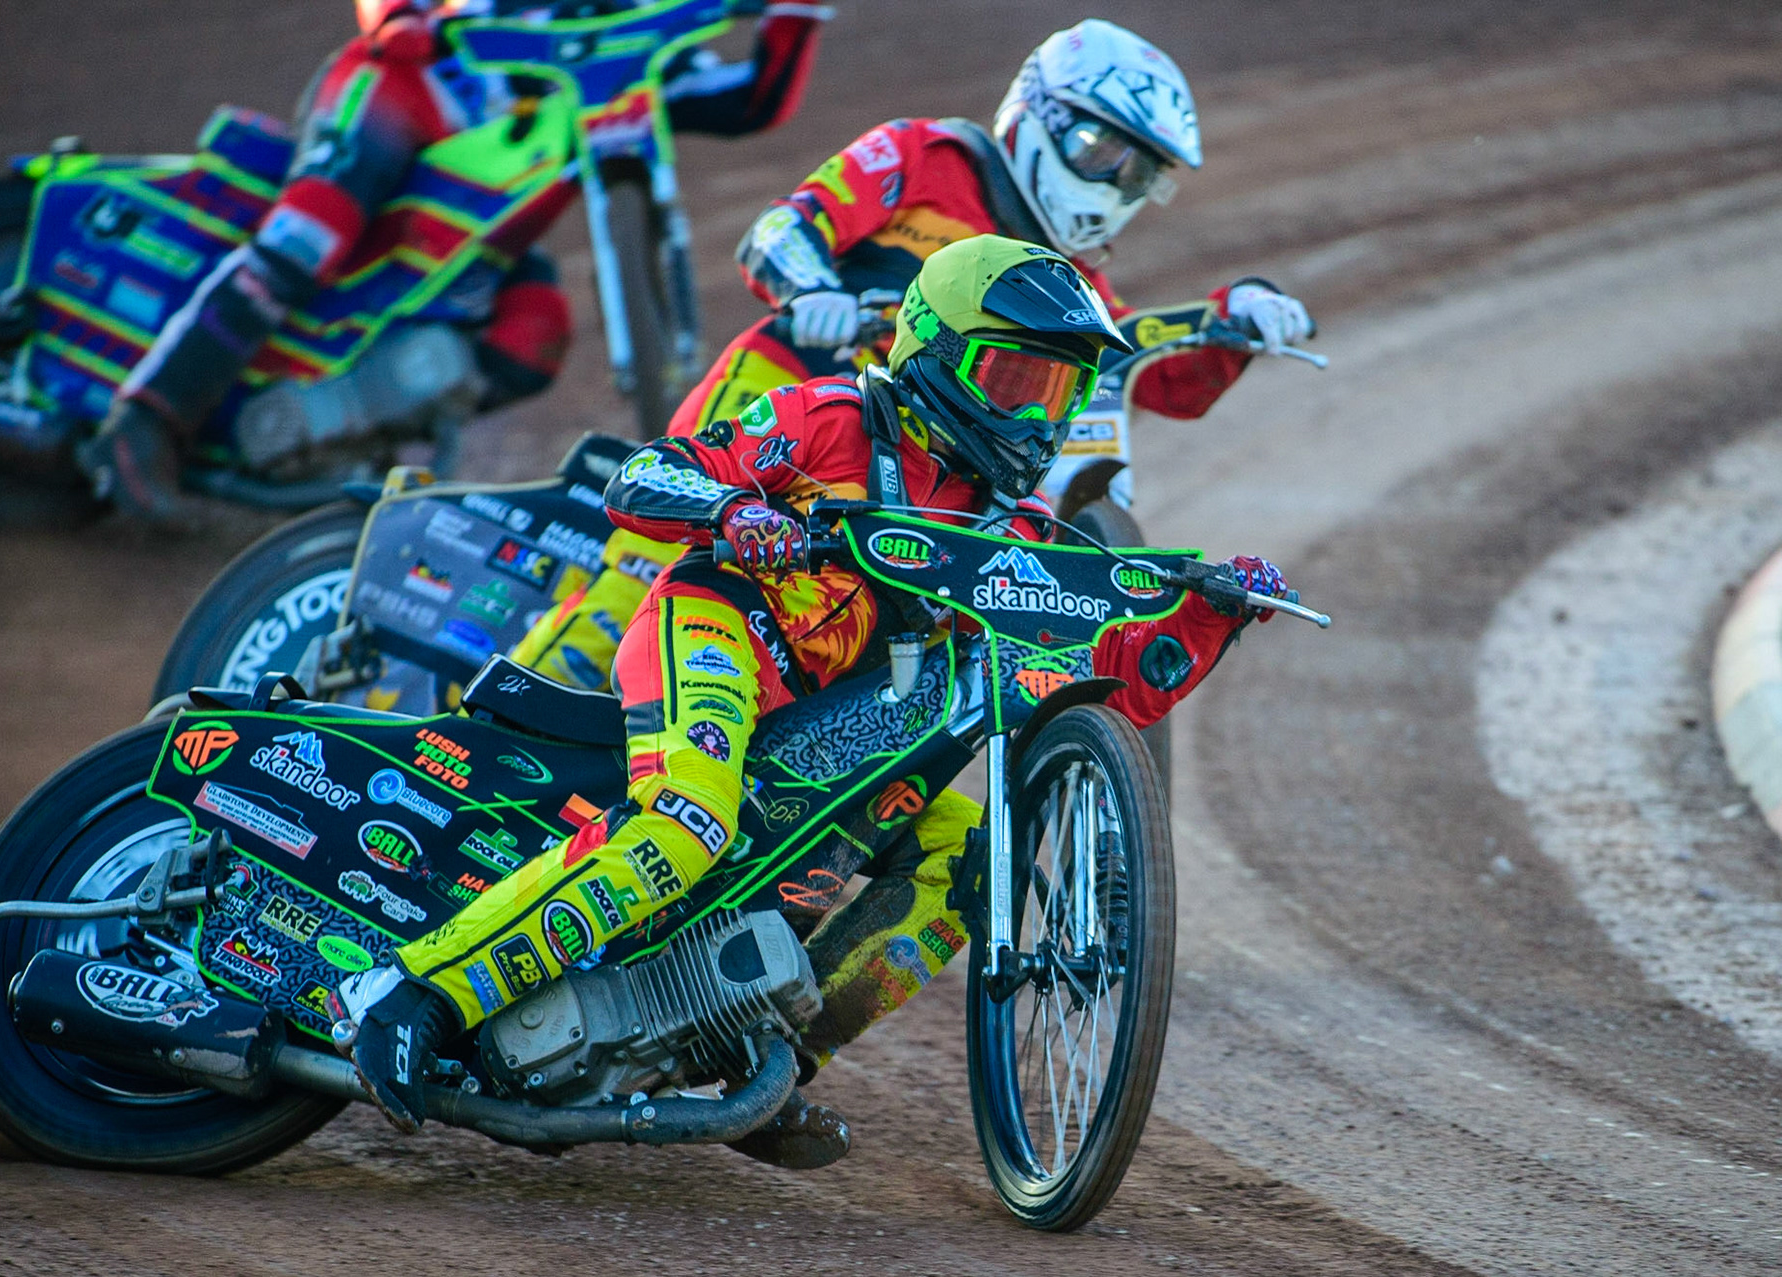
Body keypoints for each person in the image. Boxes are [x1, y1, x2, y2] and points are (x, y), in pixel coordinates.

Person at [334, 235, 1290, 1168]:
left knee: (966, 854)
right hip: (719, 633)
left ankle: (761, 1066)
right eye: (1013, 381)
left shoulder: (1023, 533)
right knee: (685, 825)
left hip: (825, 732)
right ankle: (411, 995)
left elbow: (1121, 674)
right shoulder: (832, 416)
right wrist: (732, 511)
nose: (1036, 417)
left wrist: (1210, 615)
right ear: (938, 353)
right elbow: (647, 475)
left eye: (1058, 391)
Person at [507, 16, 1311, 691]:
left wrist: (1227, 319)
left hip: (917, 468)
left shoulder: (1070, 284)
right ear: (1041, 114)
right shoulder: (924, 155)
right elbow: (781, 230)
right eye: (1105, 149)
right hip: (789, 391)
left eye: (1141, 174)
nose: (1116, 182)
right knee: (639, 577)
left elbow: (1146, 369)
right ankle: (480, 742)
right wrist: (809, 289)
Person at [81, 0, 830, 524]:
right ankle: (143, 418)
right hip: (412, 85)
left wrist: (794, 17)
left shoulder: (632, 30)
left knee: (534, 328)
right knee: (309, 233)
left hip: (477, 238)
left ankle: (334, 440)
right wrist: (400, 18)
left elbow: (743, 101)